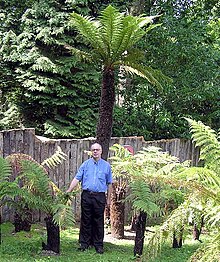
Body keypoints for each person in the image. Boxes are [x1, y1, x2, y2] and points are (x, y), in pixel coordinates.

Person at [66, 142, 112, 254]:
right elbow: (77, 178)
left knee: (98, 221)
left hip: (100, 197)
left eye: (97, 149)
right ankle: (84, 243)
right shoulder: (85, 165)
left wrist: (109, 199)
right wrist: (68, 191)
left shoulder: (107, 166)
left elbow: (109, 183)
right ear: (91, 152)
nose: (95, 151)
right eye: (93, 150)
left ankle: (98, 245)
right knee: (86, 220)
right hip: (87, 195)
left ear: (101, 151)